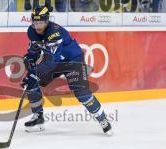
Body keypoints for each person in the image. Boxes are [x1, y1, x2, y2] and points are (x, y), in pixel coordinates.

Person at [22, 5, 112, 135]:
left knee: (81, 93)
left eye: (40, 22)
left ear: (47, 21)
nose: (37, 25)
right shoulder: (31, 31)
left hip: (72, 60)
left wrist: (34, 73)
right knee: (31, 83)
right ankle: (38, 117)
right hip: (54, 60)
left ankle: (102, 118)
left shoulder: (55, 33)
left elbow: (53, 59)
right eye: (35, 22)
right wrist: (29, 59)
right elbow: (34, 50)